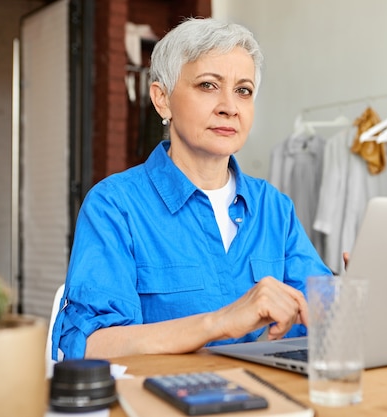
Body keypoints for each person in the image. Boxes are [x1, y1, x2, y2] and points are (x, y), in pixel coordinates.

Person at [50, 17, 332, 360]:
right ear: (162, 99)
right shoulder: (114, 206)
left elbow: (319, 321)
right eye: (208, 85)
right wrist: (219, 322)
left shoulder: (276, 208)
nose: (230, 107)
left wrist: (357, 291)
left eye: (243, 90)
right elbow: (90, 346)